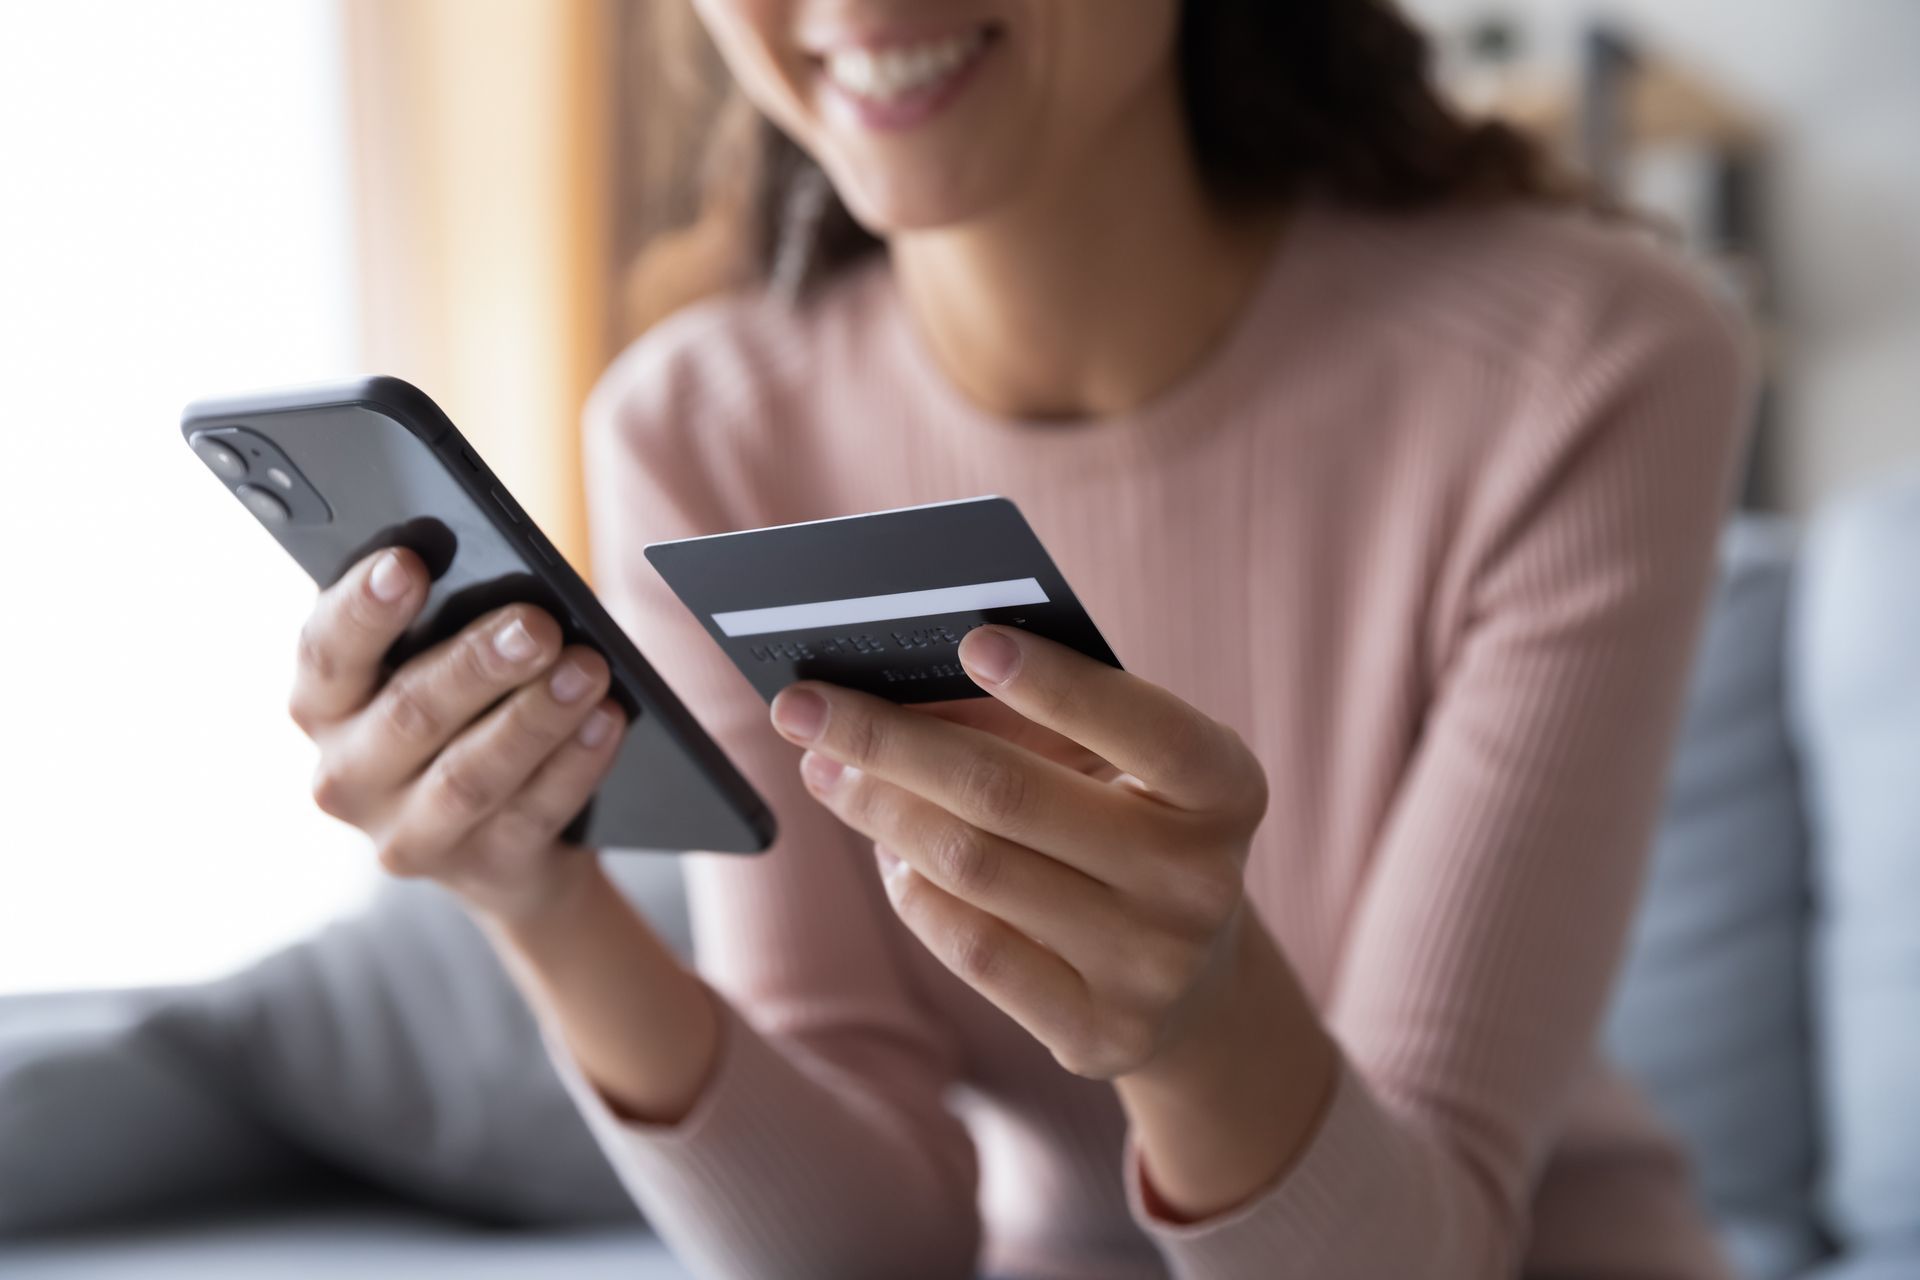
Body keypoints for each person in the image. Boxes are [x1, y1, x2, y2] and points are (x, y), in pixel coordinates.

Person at [286, 1, 1752, 1276]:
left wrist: (1201, 1027)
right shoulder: (700, 430)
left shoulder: (1587, 366)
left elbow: (1424, 1251)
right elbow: (871, 1247)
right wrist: (543, 907)